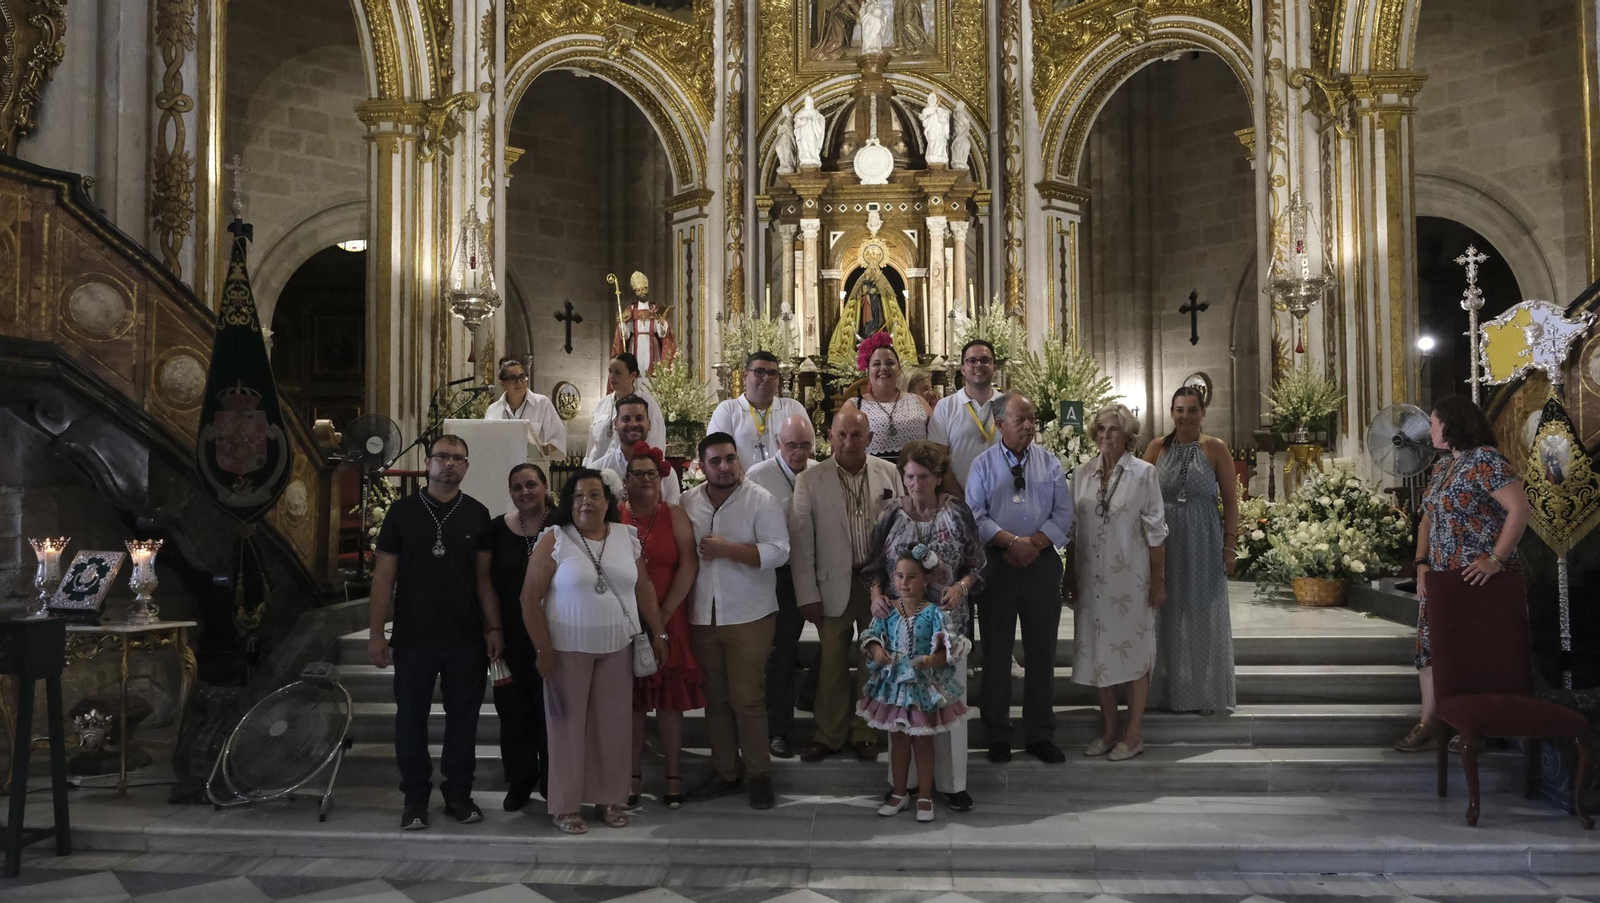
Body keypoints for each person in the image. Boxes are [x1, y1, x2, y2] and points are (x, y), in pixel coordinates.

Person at [517, 469, 669, 835]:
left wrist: (660, 632)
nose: (586, 502)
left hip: (618, 646)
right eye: (579, 496)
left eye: (594, 495)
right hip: (566, 649)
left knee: (613, 727)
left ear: (608, 501)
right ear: (570, 503)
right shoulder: (555, 538)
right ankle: (566, 806)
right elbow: (529, 597)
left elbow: (644, 587)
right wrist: (542, 647)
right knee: (567, 730)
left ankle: (610, 799)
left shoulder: (625, 536)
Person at [368, 434, 497, 830]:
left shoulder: (477, 513)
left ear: (467, 466)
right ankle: (415, 798)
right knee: (410, 718)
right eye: (442, 456)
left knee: (464, 719)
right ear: (428, 463)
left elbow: (484, 580)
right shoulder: (402, 512)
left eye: (458, 458)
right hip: (414, 635)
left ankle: (458, 794)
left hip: (465, 636)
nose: (449, 463)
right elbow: (384, 576)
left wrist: (493, 626)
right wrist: (376, 633)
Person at [1395, 395, 1530, 752]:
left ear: (1453, 424)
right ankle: (1430, 720)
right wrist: (1420, 565)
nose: (1429, 430)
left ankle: (1476, 724)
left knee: (1473, 649)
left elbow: (1519, 509)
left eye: (1434, 423)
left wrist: (1496, 559)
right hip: (1441, 576)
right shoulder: (1442, 467)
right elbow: (1427, 519)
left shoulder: (1485, 459)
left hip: (1477, 575)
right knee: (1430, 647)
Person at [865, 440, 985, 810]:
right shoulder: (890, 513)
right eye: (910, 476)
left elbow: (977, 564)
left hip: (946, 627)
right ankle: (904, 784)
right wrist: (875, 595)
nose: (916, 484)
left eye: (924, 476)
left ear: (938, 477)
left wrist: (960, 588)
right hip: (900, 629)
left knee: (946, 705)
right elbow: (872, 566)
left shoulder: (957, 511)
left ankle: (952, 784)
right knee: (902, 708)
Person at [680, 433, 791, 809]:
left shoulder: (761, 500)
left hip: (749, 613)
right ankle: (725, 771)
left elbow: (779, 551)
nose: (725, 467)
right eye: (716, 461)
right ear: (702, 466)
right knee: (715, 699)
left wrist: (728, 550)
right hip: (702, 614)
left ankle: (759, 774)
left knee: (747, 698)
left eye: (730, 458)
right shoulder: (688, 502)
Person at [790, 406, 904, 762]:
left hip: (877, 586)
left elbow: (901, 532)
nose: (848, 442)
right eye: (841, 435)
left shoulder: (889, 473)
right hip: (831, 585)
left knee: (873, 660)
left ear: (870, 438)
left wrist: (897, 586)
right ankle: (829, 734)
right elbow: (801, 544)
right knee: (831, 664)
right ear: (830, 437)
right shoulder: (810, 480)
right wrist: (807, 594)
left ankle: (865, 732)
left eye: (856, 435)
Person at [966, 393, 1073, 764]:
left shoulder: (1050, 463)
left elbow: (1063, 514)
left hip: (1040, 563)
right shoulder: (982, 464)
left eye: (1032, 420)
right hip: (997, 564)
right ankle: (997, 732)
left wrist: (1033, 544)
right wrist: (1011, 542)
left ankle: (1040, 733)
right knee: (996, 651)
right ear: (1000, 424)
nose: (1029, 426)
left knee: (1041, 651)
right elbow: (975, 514)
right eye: (1020, 420)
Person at [1070, 405, 1167, 762]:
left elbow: (1156, 533)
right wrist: (1068, 577)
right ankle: (1110, 731)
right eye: (1100, 429)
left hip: (1130, 581)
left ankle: (1134, 733)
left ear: (1127, 435)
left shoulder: (1144, 473)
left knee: (1135, 653)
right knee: (1100, 653)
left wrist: (1158, 582)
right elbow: (1073, 531)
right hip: (1091, 579)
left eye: (1113, 429)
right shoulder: (1082, 474)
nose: (1105, 435)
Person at [1141, 386, 1238, 715]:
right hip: (1163, 545)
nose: (1185, 416)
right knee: (1165, 617)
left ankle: (1201, 692)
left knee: (1200, 618)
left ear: (1203, 413)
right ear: (1171, 413)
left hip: (1202, 542)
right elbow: (1137, 492)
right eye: (1179, 410)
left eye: (1192, 410)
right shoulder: (1157, 448)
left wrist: (1229, 546)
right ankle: (1164, 690)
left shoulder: (1215, 448)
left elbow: (1231, 502)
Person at [860, 550, 969, 824]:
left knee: (922, 740)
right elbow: (870, 635)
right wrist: (876, 649)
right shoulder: (887, 611)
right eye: (899, 576)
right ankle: (899, 793)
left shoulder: (934, 613)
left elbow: (949, 648)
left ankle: (924, 795)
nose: (904, 582)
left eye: (911, 577)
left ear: (926, 579)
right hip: (894, 687)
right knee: (898, 740)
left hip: (922, 687)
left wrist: (931, 660)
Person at [622, 443, 702, 807]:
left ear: (662, 478)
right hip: (628, 617)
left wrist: (665, 615)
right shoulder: (616, 516)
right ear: (626, 480)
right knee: (634, 701)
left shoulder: (675, 514)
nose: (645, 480)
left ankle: (673, 773)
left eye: (651, 474)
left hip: (671, 614)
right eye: (637, 474)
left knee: (670, 700)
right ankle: (632, 774)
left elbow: (689, 564)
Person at [746, 414, 817, 759]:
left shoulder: (819, 472)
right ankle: (778, 730)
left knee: (838, 639)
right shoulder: (758, 477)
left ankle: (810, 696)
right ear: (777, 443)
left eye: (805, 446)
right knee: (782, 652)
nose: (799, 453)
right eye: (791, 445)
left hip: (816, 571)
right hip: (780, 576)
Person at [485, 463, 552, 811]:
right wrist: (493, 628)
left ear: (545, 486)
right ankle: (521, 779)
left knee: (551, 709)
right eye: (516, 487)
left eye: (531, 484)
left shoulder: (563, 524)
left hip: (555, 633)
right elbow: (485, 581)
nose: (524, 492)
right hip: (510, 634)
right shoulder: (498, 528)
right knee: (512, 709)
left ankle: (555, 780)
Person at [706, 351, 809, 471]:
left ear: (778, 379)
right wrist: (745, 482)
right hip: (741, 482)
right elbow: (717, 454)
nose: (766, 378)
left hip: (787, 481)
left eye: (772, 373)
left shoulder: (793, 408)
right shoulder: (727, 409)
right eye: (759, 372)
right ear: (744, 376)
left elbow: (808, 451)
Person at [928, 339, 1000, 491]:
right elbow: (940, 460)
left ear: (994, 367)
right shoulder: (945, 407)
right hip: (959, 496)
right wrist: (960, 499)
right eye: (972, 361)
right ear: (962, 369)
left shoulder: (1009, 405)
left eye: (985, 360)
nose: (978, 365)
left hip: (1002, 497)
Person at [847, 334, 932, 460]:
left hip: (916, 471)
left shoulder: (919, 401)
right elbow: (841, 447)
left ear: (899, 369)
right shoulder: (854, 405)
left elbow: (938, 443)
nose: (883, 368)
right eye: (876, 364)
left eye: (890, 363)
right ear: (868, 370)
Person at [587, 394, 683, 503]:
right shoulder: (598, 469)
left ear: (649, 424)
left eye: (639, 418)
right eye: (626, 419)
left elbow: (670, 512)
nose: (633, 424)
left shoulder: (667, 474)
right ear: (616, 424)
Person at [586, 353, 666, 461]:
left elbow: (656, 443)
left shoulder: (648, 404)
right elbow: (592, 445)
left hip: (630, 469)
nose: (611, 377)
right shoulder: (602, 404)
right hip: (597, 468)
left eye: (618, 372)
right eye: (610, 371)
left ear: (633, 375)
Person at [485, 357, 566, 458]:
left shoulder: (542, 403)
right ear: (502, 383)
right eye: (513, 378)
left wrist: (545, 448)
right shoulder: (493, 410)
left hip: (533, 465)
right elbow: (487, 441)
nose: (520, 382)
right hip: (503, 464)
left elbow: (558, 437)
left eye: (522, 377)